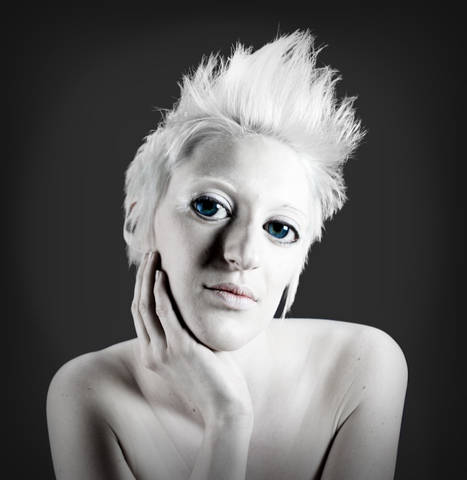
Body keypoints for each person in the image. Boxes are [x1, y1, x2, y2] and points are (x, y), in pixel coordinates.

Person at [46, 30, 408, 480]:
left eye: (280, 229)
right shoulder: (88, 393)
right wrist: (228, 420)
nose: (242, 254)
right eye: (209, 207)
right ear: (138, 220)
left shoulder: (361, 366)